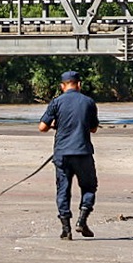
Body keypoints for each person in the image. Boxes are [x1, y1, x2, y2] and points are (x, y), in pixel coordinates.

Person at [38, 70, 100, 240]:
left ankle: (66, 229)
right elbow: (93, 128)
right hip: (83, 152)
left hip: (62, 154)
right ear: (79, 84)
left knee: (63, 191)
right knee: (89, 187)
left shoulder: (56, 102)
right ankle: (82, 220)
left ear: (62, 86)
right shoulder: (89, 102)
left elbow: (42, 127)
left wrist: (54, 126)